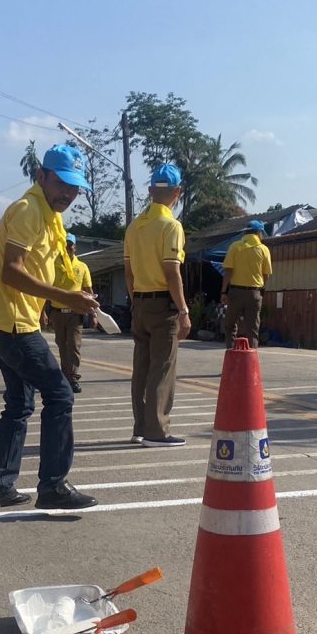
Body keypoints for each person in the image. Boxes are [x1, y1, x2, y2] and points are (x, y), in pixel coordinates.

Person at [0, 144, 100, 512]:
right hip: (12, 325)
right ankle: (53, 486)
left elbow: (47, 269)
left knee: (19, 404)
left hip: (11, 320)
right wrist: (65, 297)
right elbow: (12, 272)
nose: (68, 193)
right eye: (62, 183)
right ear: (41, 176)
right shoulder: (28, 211)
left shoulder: (51, 217)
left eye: (75, 187)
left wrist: (73, 295)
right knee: (60, 394)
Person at [124, 162, 191, 448]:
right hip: (163, 305)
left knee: (141, 368)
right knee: (162, 368)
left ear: (151, 191)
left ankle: (140, 428)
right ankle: (157, 431)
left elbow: (128, 272)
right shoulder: (171, 226)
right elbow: (172, 271)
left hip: (140, 301)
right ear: (178, 192)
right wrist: (183, 310)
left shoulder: (134, 227)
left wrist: (136, 301)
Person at [48, 233, 93, 393]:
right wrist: (43, 313)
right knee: (62, 345)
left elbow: (88, 290)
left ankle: (72, 378)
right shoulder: (53, 265)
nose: (68, 248)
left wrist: (94, 313)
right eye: (65, 245)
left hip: (76, 313)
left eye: (70, 245)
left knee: (73, 345)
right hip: (57, 312)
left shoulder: (82, 266)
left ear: (75, 247)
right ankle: (65, 376)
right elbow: (46, 289)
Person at [220, 219, 273, 348]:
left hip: (235, 292)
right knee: (252, 328)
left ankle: (231, 350)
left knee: (230, 324)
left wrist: (223, 292)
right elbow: (266, 274)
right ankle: (251, 354)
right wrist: (260, 289)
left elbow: (228, 271)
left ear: (246, 232)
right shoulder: (264, 249)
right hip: (254, 293)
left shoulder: (235, 247)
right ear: (259, 233)